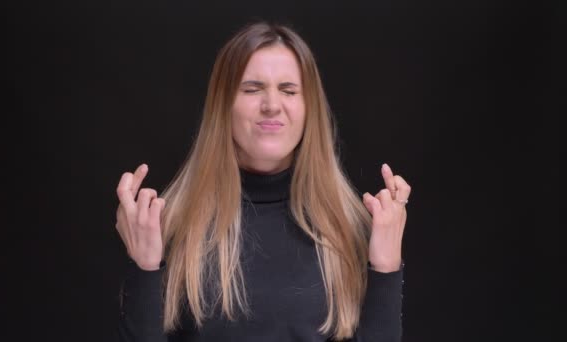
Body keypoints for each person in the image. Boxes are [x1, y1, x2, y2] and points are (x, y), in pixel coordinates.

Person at [115, 21, 411, 342]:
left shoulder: (351, 228)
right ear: (222, 105)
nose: (272, 105)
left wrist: (385, 269)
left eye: (288, 90)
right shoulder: (169, 225)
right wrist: (144, 269)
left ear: (308, 107)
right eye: (252, 89)